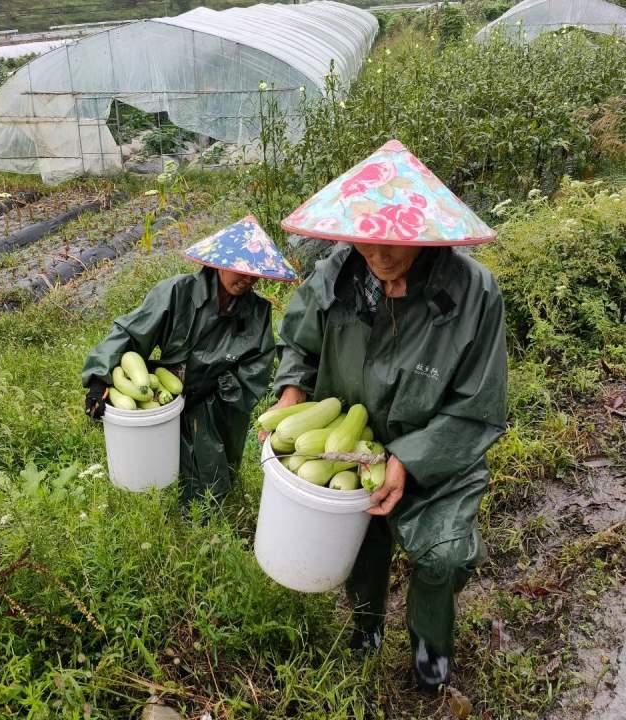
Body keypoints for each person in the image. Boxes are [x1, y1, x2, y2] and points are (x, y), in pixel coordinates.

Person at [270, 140, 508, 692]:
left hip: (438, 453)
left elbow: (478, 409)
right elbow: (299, 346)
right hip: (353, 448)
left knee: (442, 558)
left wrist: (409, 459)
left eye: (394, 242)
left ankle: (430, 657)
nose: (377, 255)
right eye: (365, 238)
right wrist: (290, 395)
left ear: (424, 233)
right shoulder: (336, 272)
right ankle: (365, 631)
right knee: (360, 545)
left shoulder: (473, 295)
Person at [83, 215, 297, 503]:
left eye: (254, 273)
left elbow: (256, 367)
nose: (247, 279)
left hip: (219, 403)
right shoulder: (177, 293)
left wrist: (218, 393)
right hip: (168, 395)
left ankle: (209, 517)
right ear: (220, 263)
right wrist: (99, 378)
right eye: (240, 270)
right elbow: (131, 332)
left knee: (213, 473)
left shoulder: (257, 311)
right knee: (158, 472)